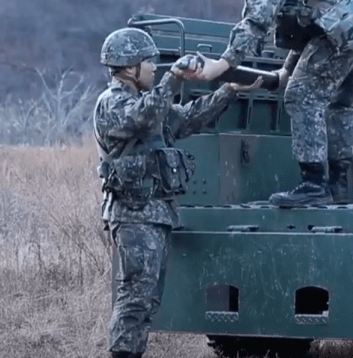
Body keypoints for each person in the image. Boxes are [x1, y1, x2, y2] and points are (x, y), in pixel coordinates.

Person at [181, 0, 353, 207]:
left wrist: (222, 64)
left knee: (301, 95)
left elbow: (255, 24)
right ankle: (338, 184)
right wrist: (286, 70)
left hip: (348, 23)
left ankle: (314, 184)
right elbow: (305, 30)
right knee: (342, 101)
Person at [94, 27, 258, 358]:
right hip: (133, 216)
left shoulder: (147, 103)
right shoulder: (112, 104)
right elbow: (143, 118)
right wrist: (175, 78)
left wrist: (228, 90)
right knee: (134, 299)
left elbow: (188, 119)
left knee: (147, 300)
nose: (154, 68)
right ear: (128, 68)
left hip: (155, 216)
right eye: (148, 62)